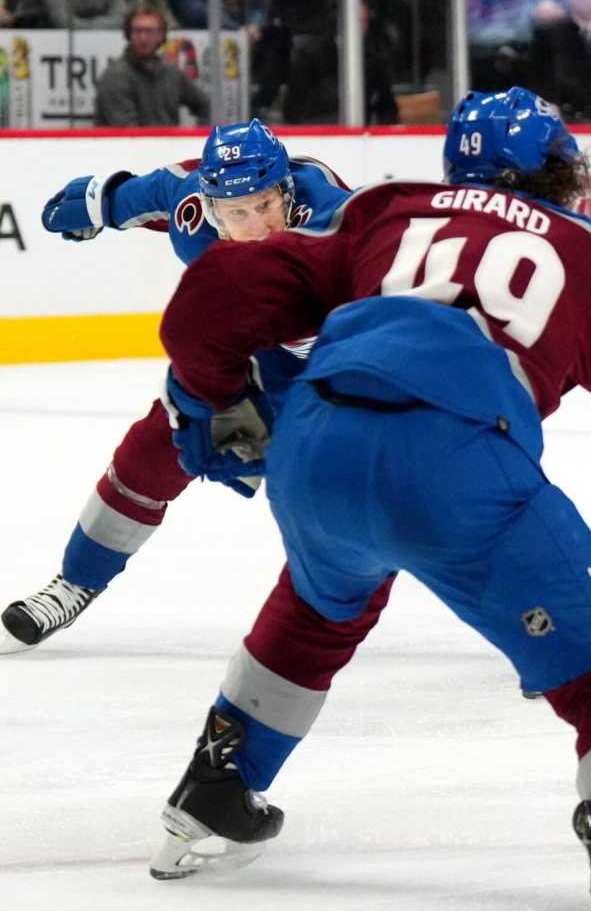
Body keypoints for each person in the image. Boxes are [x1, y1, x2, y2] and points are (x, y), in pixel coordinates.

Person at [147, 89, 591, 911]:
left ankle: (217, 785)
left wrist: (207, 401)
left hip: (315, 443)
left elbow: (218, 288)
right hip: (458, 458)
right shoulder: (589, 254)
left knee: (323, 605)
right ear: (564, 177)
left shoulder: (385, 210)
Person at [1, 123, 350, 654]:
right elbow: (141, 194)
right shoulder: (187, 206)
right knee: (155, 447)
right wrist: (101, 203)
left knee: (407, 486)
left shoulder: (335, 220)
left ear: (287, 191)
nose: (257, 227)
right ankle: (76, 581)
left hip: (341, 368)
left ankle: (519, 590)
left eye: (265, 204)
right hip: (253, 353)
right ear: (209, 209)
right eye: (238, 212)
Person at [94, 6, 211, 127]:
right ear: (129, 35)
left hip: (170, 144)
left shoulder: (171, 72)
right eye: (138, 31)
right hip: (130, 144)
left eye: (150, 31)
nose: (143, 38)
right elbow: (127, 134)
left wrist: (201, 139)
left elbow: (207, 106)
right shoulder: (115, 76)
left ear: (161, 35)